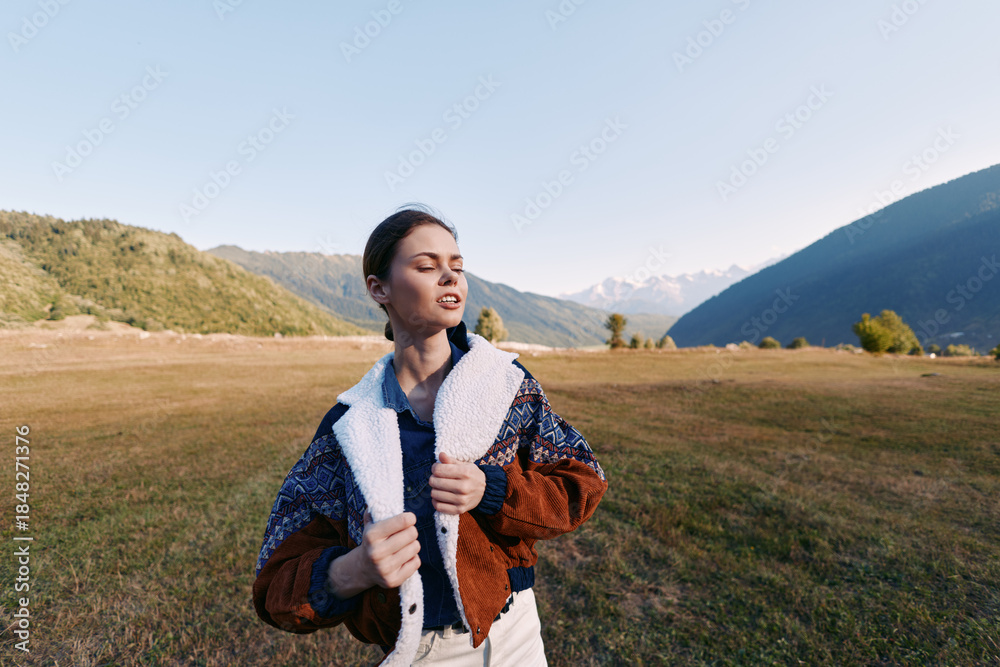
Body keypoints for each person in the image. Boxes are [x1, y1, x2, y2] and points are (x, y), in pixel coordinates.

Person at [252, 206, 608, 666]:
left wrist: (492, 489)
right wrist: (353, 570)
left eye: (456, 267)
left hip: (517, 633)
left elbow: (583, 483)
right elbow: (274, 587)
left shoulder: (507, 385)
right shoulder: (349, 427)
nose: (449, 278)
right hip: (419, 652)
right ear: (379, 288)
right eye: (426, 266)